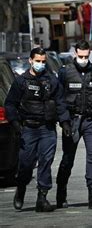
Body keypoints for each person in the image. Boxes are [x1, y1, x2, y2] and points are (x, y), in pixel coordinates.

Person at [5, 48, 70, 212]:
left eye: (43, 61)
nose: (41, 64)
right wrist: (15, 123)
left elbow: (61, 103)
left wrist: (65, 122)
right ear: (31, 61)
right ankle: (21, 188)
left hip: (47, 128)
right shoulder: (21, 81)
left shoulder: (52, 81)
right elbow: (10, 104)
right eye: (38, 61)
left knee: (46, 162)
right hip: (28, 128)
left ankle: (43, 196)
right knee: (26, 165)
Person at [56, 40, 92, 210]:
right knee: (68, 159)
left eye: (86, 56)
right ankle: (61, 193)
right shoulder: (65, 72)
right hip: (72, 121)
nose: (83, 59)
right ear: (75, 54)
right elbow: (59, 99)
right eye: (80, 56)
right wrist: (64, 121)